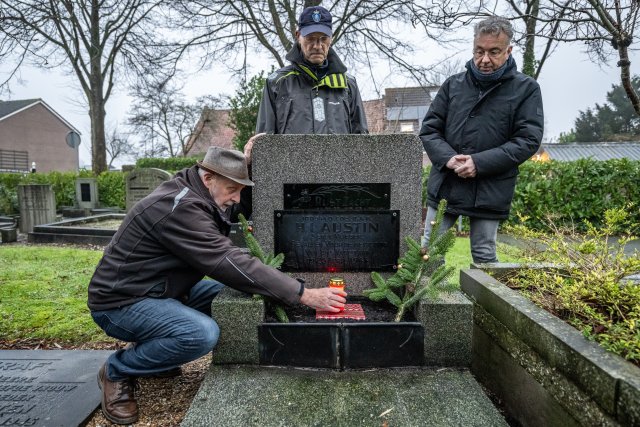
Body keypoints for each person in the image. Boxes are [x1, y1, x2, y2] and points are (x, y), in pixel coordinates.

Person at [87, 146, 346, 425]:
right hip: (122, 302)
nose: (236, 199)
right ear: (208, 178)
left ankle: (155, 353)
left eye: (239, 190)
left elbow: (233, 214)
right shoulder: (179, 207)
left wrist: (254, 158)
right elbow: (226, 260)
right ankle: (117, 369)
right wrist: (302, 293)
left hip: (166, 291)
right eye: (232, 189)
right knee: (200, 334)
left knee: (238, 297)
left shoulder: (198, 192)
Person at [420, 16, 543, 263]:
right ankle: (425, 304)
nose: (484, 59)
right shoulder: (452, 85)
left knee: (485, 257)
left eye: (494, 52)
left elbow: (528, 139)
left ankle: (482, 303)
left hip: (491, 187)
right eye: (479, 51)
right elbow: (430, 130)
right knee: (428, 254)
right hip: (447, 183)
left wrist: (479, 163)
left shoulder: (526, 89)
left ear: (509, 50)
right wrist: (449, 159)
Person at [234, 5, 369, 220]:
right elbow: (264, 142)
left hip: (337, 185)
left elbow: (362, 140)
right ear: (298, 36)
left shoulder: (347, 84)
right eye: (310, 39)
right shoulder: (277, 83)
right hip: (291, 188)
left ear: (331, 39)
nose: (317, 46)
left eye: (323, 39)